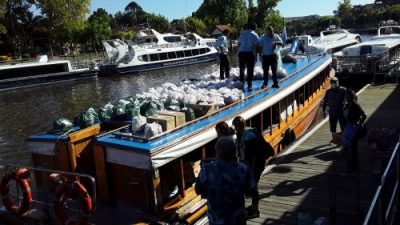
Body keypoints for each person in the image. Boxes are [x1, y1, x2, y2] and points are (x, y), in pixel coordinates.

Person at [195, 137, 260, 225]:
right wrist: (254, 206)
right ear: (234, 151)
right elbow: (253, 190)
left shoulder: (207, 168)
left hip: (216, 219)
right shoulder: (243, 168)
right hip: (238, 218)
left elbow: (198, 190)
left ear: (218, 152)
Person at [232, 116, 274, 183]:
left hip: (255, 165)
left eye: (235, 126)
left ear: (238, 126)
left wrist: (250, 170)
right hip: (252, 164)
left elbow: (251, 155)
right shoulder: (244, 133)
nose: (235, 129)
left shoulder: (248, 136)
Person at [342, 89, 367, 171]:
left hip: (355, 128)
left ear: (351, 97)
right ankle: (351, 162)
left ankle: (354, 165)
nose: (346, 97)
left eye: (347, 96)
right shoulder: (347, 105)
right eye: (346, 96)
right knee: (349, 145)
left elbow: (364, 115)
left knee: (353, 146)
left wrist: (360, 123)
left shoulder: (355, 105)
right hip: (349, 126)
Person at [322, 77, 347, 143]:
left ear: (338, 82)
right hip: (332, 111)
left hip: (341, 111)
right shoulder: (328, 91)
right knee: (333, 126)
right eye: (332, 82)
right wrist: (323, 111)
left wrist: (345, 106)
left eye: (335, 82)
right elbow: (325, 102)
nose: (333, 83)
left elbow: (347, 100)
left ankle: (344, 138)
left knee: (343, 125)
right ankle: (334, 139)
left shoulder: (343, 90)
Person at [238, 23, 259, 90]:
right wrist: (255, 56)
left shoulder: (242, 34)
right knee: (250, 69)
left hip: (241, 53)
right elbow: (255, 46)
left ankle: (241, 82)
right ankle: (249, 84)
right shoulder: (254, 35)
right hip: (249, 53)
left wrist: (238, 53)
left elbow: (239, 44)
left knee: (242, 68)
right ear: (254, 28)